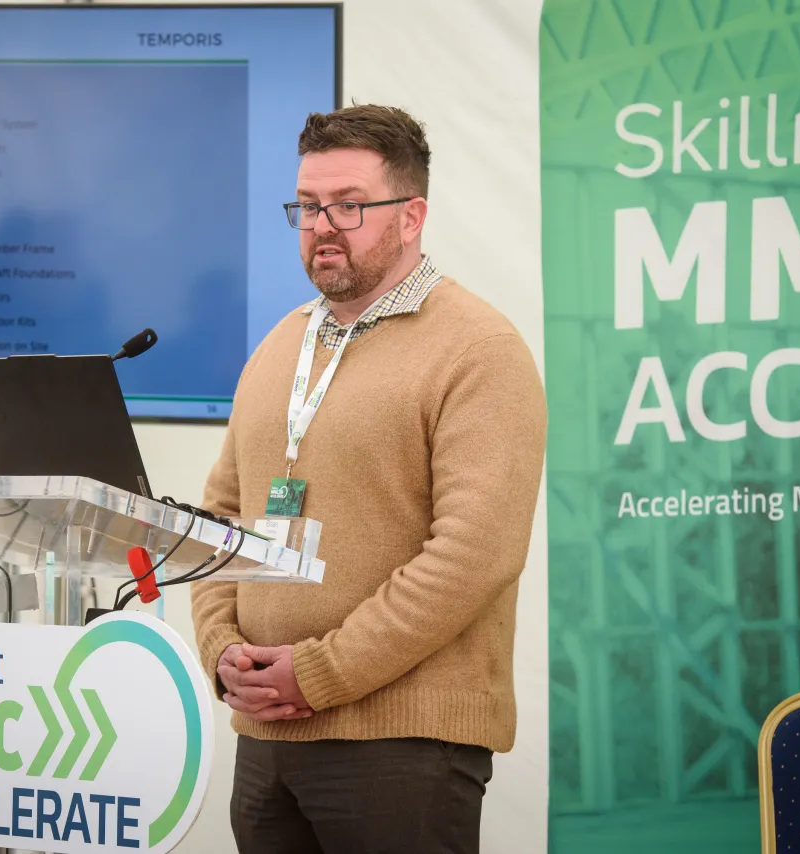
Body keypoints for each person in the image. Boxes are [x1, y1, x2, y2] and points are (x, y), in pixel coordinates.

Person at [189, 104, 547, 854]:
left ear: (412, 215)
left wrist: (318, 673)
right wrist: (221, 648)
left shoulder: (479, 349)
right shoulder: (281, 343)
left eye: (349, 205)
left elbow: (474, 555)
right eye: (308, 206)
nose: (323, 225)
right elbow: (220, 516)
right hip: (265, 741)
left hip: (401, 749)